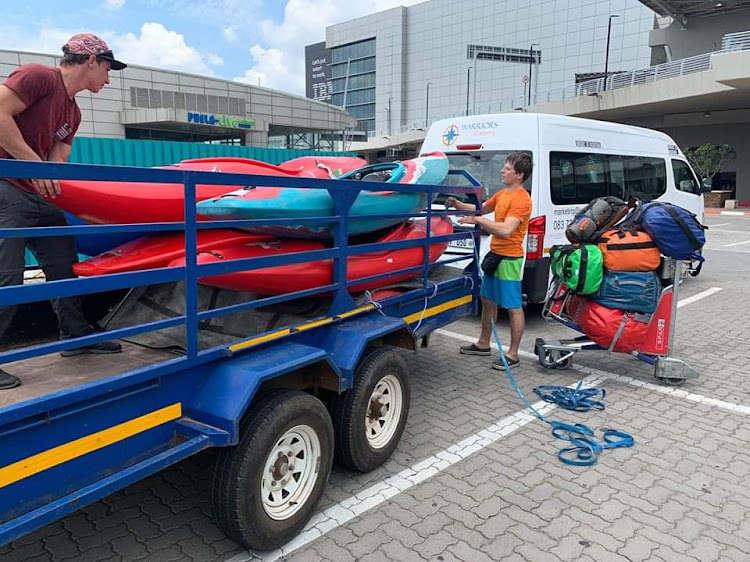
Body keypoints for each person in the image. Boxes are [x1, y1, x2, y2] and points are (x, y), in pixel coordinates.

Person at [0, 33, 127, 390]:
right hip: (5, 186)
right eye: (107, 68)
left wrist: (85, 205)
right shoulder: (38, 77)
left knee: (64, 268)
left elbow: (57, 165)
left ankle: (75, 338)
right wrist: (33, 165)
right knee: (6, 278)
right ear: (91, 61)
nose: (108, 77)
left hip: (38, 195)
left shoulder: (74, 111)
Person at [445, 152, 533, 370]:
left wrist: (478, 220)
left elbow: (506, 230)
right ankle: (484, 343)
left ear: (519, 175)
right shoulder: (503, 194)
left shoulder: (522, 200)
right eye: (504, 167)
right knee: (487, 300)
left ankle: (513, 354)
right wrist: (457, 204)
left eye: (507, 169)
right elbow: (481, 208)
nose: (502, 171)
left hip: (509, 258)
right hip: (494, 256)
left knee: (512, 306)